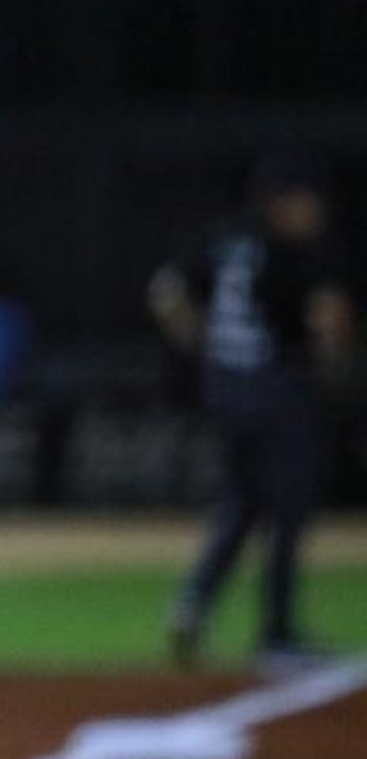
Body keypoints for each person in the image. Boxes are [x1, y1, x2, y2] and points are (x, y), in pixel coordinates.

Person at [149, 146, 356, 670]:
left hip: (224, 388)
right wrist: (333, 376)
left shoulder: (222, 239)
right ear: (282, 201)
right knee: (288, 508)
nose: (314, 211)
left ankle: (193, 604)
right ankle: (277, 633)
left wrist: (201, 345)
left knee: (241, 503)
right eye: (306, 200)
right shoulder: (296, 253)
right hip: (280, 389)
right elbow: (329, 322)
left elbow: (165, 291)